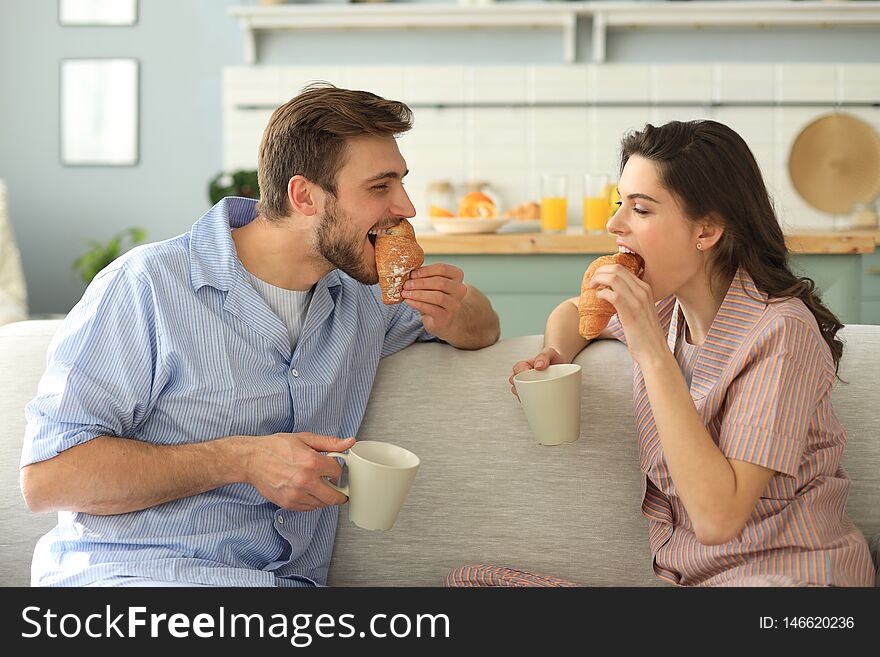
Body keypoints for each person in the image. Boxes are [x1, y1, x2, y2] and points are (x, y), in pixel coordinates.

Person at [20, 83, 500, 587]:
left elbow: (483, 328)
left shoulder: (365, 297)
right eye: (380, 187)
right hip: (136, 582)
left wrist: (452, 308)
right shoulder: (146, 286)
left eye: (401, 183)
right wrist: (241, 460)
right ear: (304, 196)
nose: (407, 207)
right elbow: (48, 479)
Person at [448, 119, 874, 587]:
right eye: (619, 204)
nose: (613, 224)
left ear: (707, 229)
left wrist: (650, 350)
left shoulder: (781, 332)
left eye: (641, 210)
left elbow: (717, 520)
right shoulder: (667, 309)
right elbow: (576, 311)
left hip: (789, 582)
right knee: (472, 584)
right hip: (692, 584)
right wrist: (554, 352)